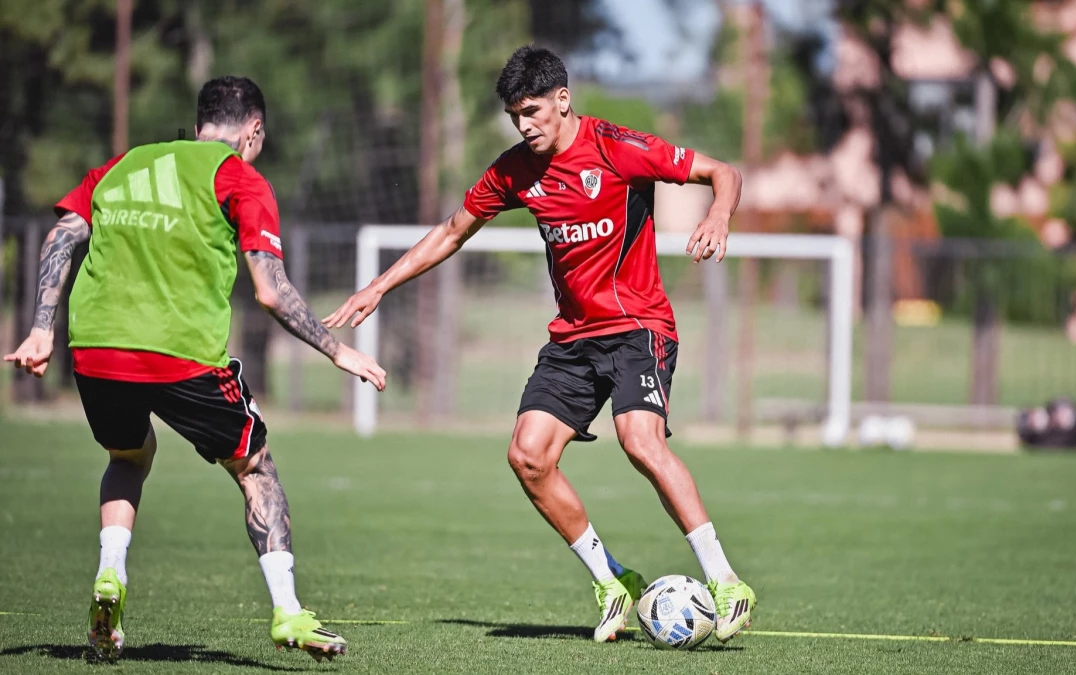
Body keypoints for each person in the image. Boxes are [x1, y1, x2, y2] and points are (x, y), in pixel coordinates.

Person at [324, 46, 756, 643]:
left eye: (531, 111)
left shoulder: (617, 147)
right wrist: (379, 286)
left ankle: (727, 581)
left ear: (562, 100)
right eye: (514, 116)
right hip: (573, 337)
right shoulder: (514, 170)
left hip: (638, 326)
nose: (524, 125)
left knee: (639, 440)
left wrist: (719, 215)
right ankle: (612, 580)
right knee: (528, 456)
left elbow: (724, 173)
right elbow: (452, 231)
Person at [4, 76, 386, 661]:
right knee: (254, 466)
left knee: (128, 457)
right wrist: (339, 351)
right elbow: (271, 291)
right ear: (253, 129)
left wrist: (39, 328)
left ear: (203, 120)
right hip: (181, 356)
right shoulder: (240, 178)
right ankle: (287, 611)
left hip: (96, 348)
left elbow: (62, 235)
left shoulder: (126, 164)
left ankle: (110, 574)